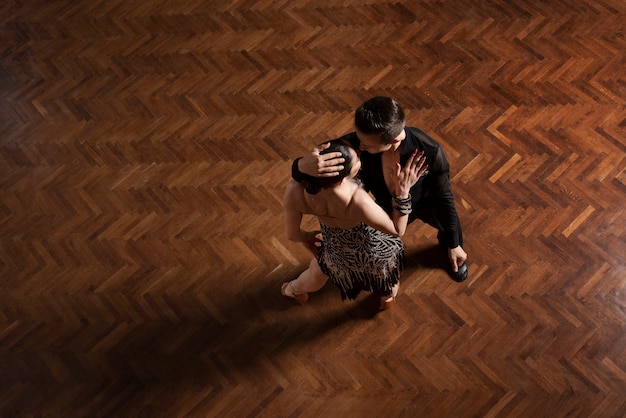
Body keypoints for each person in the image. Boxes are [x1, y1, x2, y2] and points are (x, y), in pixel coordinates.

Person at [292, 96, 468, 282]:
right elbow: (308, 171)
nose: (359, 146)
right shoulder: (358, 141)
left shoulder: (429, 150)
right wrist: (302, 165)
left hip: (427, 203)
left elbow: (444, 197)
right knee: (378, 245)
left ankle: (453, 250)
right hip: (387, 206)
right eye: (359, 138)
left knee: (450, 232)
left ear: (393, 141)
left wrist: (454, 243)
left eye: (367, 145)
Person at [282, 139, 427, 309]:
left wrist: (306, 236)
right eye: (357, 160)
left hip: (336, 250)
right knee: (386, 279)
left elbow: (292, 235)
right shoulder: (356, 200)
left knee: (317, 272)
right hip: (374, 251)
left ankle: (292, 289)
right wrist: (402, 192)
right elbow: (397, 229)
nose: (359, 157)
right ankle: (387, 298)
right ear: (341, 180)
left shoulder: (294, 190)